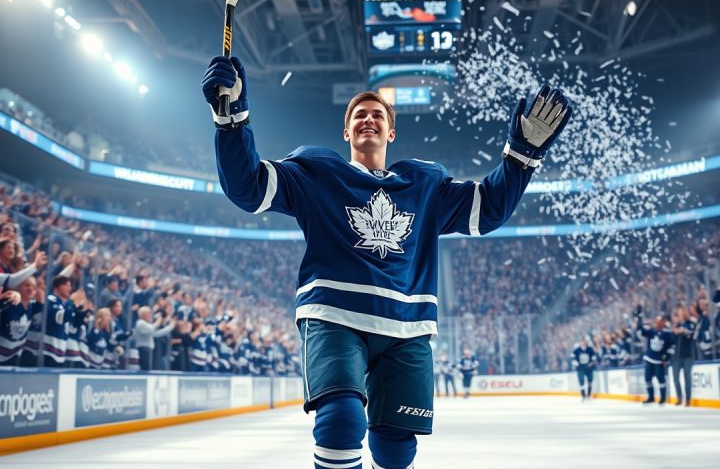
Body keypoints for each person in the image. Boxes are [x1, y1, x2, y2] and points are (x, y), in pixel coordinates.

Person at [202, 54, 572, 469]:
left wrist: (520, 158)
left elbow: (488, 209)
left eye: (377, 114)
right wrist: (232, 122)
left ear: (390, 132)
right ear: (346, 131)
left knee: (396, 448)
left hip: (407, 326)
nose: (368, 119)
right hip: (335, 316)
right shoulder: (317, 172)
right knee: (340, 422)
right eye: (359, 114)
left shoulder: (423, 183)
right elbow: (247, 186)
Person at [634, 306, 675, 405]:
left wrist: (666, 357)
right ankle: (651, 397)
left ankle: (663, 398)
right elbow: (640, 331)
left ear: (663, 322)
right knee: (647, 378)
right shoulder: (652, 331)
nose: (657, 323)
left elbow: (672, 347)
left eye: (659, 321)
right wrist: (639, 318)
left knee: (661, 379)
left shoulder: (668, 333)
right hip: (649, 358)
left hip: (660, 360)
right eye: (656, 321)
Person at [671, 305, 696, 406]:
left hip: (688, 355)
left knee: (687, 377)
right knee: (675, 378)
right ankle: (679, 398)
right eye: (679, 312)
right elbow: (672, 339)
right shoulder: (676, 325)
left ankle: (688, 399)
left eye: (682, 311)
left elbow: (691, 333)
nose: (681, 313)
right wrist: (676, 328)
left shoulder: (691, 323)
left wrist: (683, 330)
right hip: (677, 356)